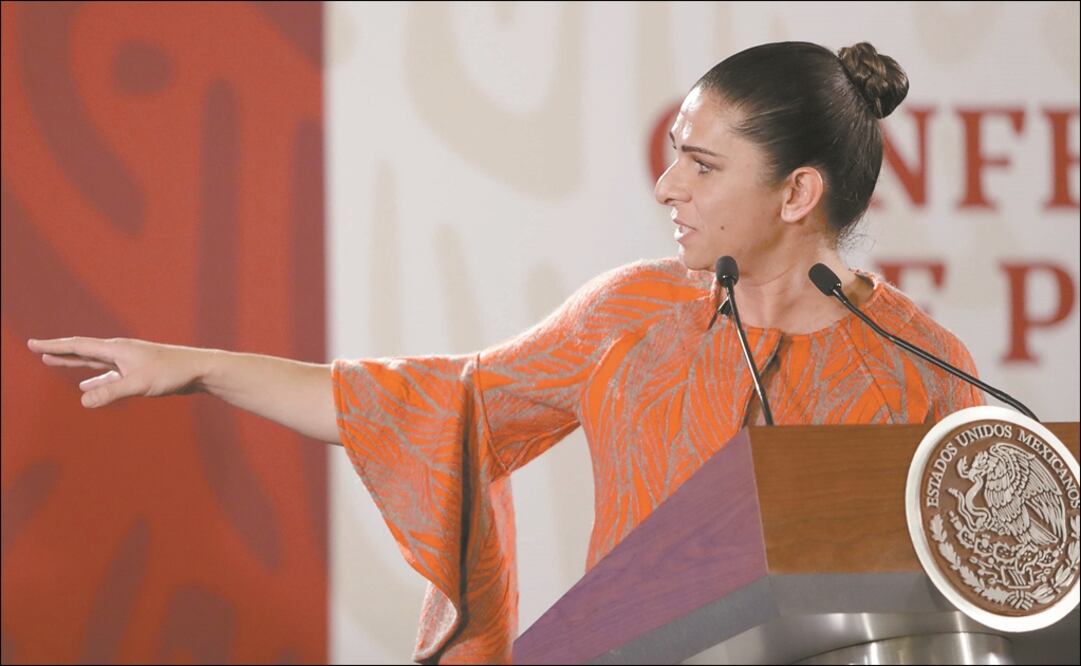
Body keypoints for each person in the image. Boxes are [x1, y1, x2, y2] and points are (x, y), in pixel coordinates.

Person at [27, 41, 983, 664]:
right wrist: (198, 367)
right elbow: (438, 407)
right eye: (672, 154)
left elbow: (978, 587)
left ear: (796, 194)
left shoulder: (922, 364)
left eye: (699, 165)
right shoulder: (632, 313)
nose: (664, 186)